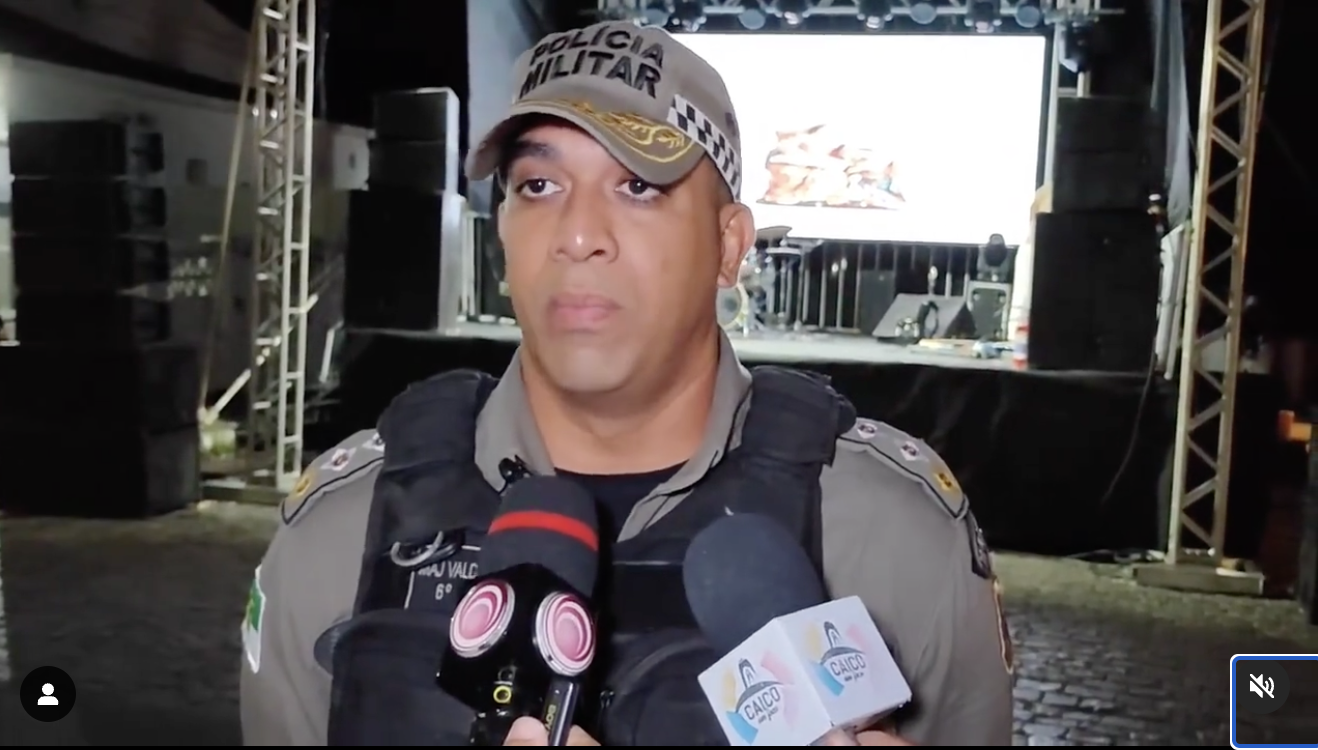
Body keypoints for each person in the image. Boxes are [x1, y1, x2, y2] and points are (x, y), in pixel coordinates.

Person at [239, 21, 1014, 747]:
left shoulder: (893, 538)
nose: (578, 235)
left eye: (639, 186)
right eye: (538, 186)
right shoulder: (342, 532)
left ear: (728, 245)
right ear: (502, 228)